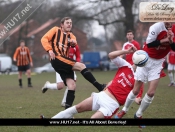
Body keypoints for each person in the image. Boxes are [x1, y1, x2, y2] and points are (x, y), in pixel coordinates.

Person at [50, 46, 138, 119]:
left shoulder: (139, 79)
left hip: (112, 104)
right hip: (102, 95)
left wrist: (128, 108)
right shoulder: (126, 66)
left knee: (93, 120)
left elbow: (135, 96)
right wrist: (126, 51)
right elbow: (111, 55)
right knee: (77, 108)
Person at [41, 17, 105, 109]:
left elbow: (74, 42)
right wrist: (49, 50)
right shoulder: (55, 30)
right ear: (62, 25)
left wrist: (73, 42)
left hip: (63, 61)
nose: (69, 24)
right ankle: (99, 87)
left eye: (71, 23)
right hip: (57, 59)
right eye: (67, 23)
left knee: (72, 85)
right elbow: (44, 39)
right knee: (81, 66)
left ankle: (67, 111)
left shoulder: (71, 35)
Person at [116, 22, 175, 121]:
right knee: (135, 90)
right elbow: (150, 44)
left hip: (158, 63)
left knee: (151, 93)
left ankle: (138, 115)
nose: (168, 20)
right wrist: (165, 40)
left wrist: (171, 41)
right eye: (166, 17)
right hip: (146, 59)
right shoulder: (156, 27)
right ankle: (124, 110)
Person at [122, 30, 143, 104]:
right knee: (127, 79)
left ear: (133, 36)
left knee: (138, 80)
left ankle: (139, 96)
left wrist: (136, 64)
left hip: (135, 65)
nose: (129, 36)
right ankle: (128, 95)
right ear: (126, 36)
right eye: (128, 34)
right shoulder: (125, 44)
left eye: (130, 34)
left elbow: (139, 54)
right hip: (127, 65)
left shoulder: (136, 43)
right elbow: (122, 54)